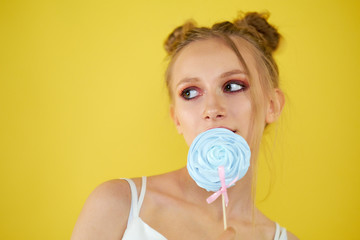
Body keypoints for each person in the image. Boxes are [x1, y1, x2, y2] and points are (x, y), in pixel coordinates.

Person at [71, 12, 299, 240]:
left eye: (232, 86)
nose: (212, 109)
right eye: (190, 92)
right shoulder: (117, 204)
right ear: (177, 119)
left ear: (272, 105)